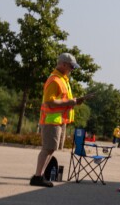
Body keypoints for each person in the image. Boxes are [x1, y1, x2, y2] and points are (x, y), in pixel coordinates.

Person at [31, 53, 83, 187]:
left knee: (51, 149)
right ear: (63, 64)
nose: (72, 69)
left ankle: (40, 175)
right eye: (71, 67)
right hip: (51, 120)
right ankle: (37, 176)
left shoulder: (63, 79)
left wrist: (74, 102)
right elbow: (50, 102)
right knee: (47, 148)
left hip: (58, 120)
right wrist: (71, 102)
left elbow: (62, 100)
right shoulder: (55, 80)